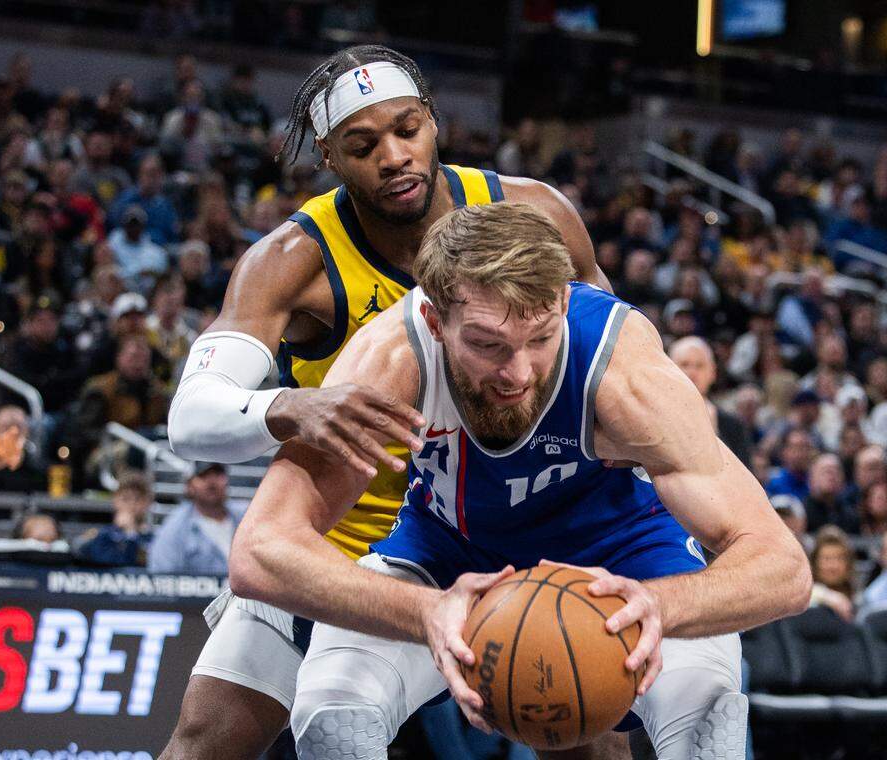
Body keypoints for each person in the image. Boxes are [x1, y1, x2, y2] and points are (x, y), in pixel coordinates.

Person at [228, 203, 810, 758]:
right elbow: (259, 551)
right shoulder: (388, 360)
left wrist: (661, 602)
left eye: (540, 339)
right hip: (451, 553)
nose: (519, 372)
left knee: (710, 716)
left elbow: (783, 568)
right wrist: (424, 611)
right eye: (487, 345)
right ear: (434, 320)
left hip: (625, 558)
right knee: (332, 707)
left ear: (561, 301)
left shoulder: (625, 372)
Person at [161, 45, 607, 760]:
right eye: (364, 145)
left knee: (585, 732)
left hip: (505, 528)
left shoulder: (532, 213)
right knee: (206, 742)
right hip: (342, 545)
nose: (394, 156)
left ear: (435, 123)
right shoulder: (292, 259)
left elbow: (608, 362)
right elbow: (191, 418)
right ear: (330, 158)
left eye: (407, 129)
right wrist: (288, 408)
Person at [148, 463, 244, 575]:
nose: (211, 482)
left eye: (218, 474)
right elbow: (161, 577)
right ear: (189, 485)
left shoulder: (246, 515)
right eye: (203, 476)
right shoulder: (175, 528)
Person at [668, 336, 752, 464]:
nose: (692, 372)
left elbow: (747, 478)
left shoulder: (733, 425)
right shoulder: (649, 417)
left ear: (713, 373)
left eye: (699, 366)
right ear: (668, 369)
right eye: (685, 364)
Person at [75, 471, 155, 567]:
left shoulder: (153, 539)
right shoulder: (102, 536)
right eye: (126, 499)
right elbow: (104, 562)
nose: (132, 505)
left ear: (147, 502)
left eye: (138, 499)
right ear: (116, 500)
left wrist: (131, 533)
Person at [809, 526, 857, 621]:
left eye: (839, 558)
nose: (833, 566)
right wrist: (826, 596)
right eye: (826, 559)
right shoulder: (803, 599)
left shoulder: (859, 598)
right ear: (815, 563)